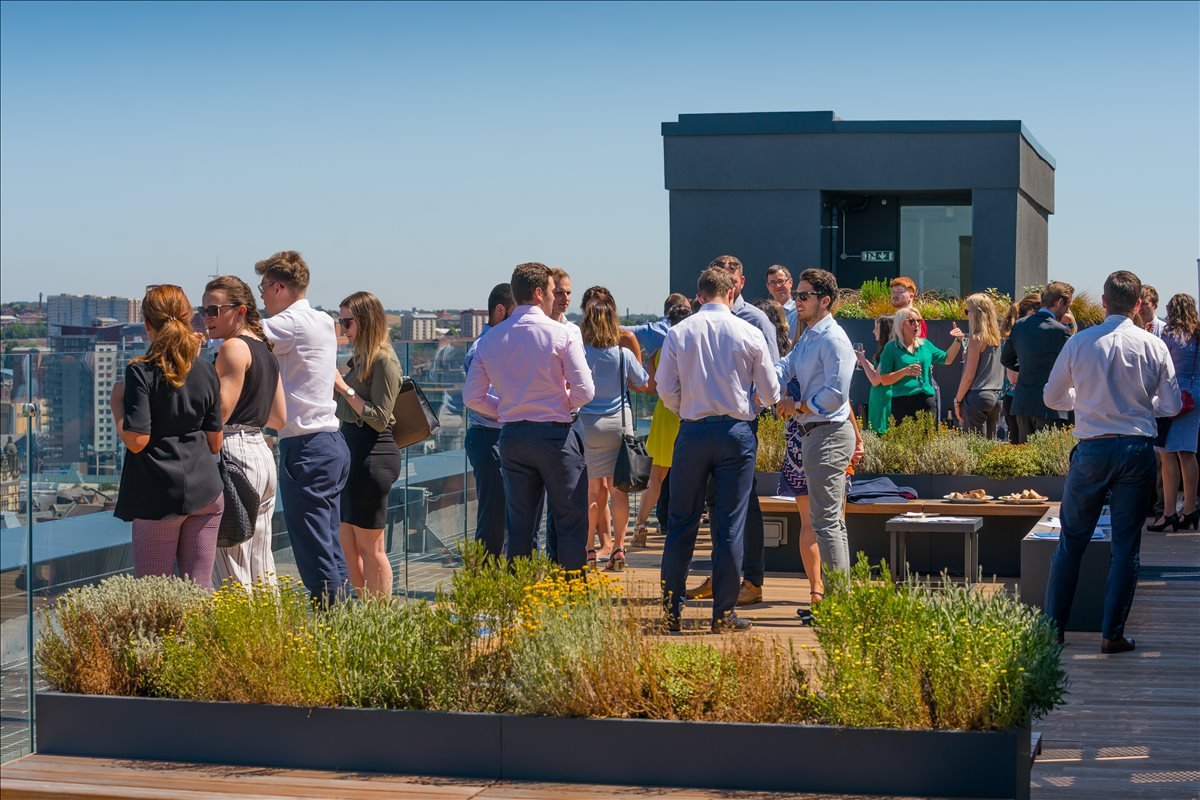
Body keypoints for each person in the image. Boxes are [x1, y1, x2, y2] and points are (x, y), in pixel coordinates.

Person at [1043, 270, 1181, 654]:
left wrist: (1083, 400)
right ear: (1138, 305)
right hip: (1136, 450)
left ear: (1103, 302)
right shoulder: (1153, 345)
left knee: (1071, 541)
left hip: (1092, 448)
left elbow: (1053, 397)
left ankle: (1053, 629)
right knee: (1126, 547)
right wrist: (1141, 405)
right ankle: (1112, 634)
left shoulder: (1080, 342)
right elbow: (1169, 405)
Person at [657, 266, 780, 633]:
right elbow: (771, 392)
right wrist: (751, 407)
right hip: (735, 433)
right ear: (731, 294)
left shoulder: (679, 332)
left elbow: (665, 388)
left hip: (693, 432)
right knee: (730, 524)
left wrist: (686, 410)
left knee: (682, 523)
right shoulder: (749, 331)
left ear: (698, 296)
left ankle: (672, 611)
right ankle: (723, 614)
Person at [463, 262, 595, 571]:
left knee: (520, 525)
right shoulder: (562, 334)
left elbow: (472, 398)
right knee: (570, 520)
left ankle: (519, 598)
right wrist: (566, 404)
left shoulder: (490, 340)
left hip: (512, 437)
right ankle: (571, 595)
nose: (554, 297)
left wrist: (507, 410)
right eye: (552, 290)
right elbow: (585, 391)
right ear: (538, 293)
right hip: (555, 435)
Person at [111, 285, 224, 589]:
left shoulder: (141, 372)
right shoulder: (205, 370)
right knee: (199, 591)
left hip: (157, 494)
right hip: (207, 491)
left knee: (155, 598)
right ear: (188, 319)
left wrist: (116, 407)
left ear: (147, 324)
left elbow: (137, 440)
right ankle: (200, 639)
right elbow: (216, 442)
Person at [256, 250, 352, 604]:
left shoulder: (289, 323)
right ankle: (347, 624)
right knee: (328, 543)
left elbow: (242, 336)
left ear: (280, 286)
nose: (261, 296)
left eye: (264, 287)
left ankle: (333, 630)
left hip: (306, 447)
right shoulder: (323, 320)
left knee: (313, 549)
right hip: (331, 442)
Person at [775, 269, 860, 617]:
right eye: (797, 294)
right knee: (829, 522)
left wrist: (795, 406)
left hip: (827, 432)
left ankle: (839, 605)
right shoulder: (810, 336)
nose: (797, 300)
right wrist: (766, 380)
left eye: (804, 295)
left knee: (825, 522)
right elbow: (787, 365)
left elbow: (836, 394)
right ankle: (840, 601)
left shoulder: (833, 339)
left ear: (825, 301)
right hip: (817, 434)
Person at [701, 255, 779, 606]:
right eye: (721, 274)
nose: (727, 280)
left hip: (743, 422)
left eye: (732, 274)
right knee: (715, 501)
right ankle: (721, 574)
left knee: (745, 502)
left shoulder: (755, 319)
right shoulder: (701, 319)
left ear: (741, 282)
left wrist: (752, 411)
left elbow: (773, 373)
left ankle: (753, 579)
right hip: (707, 424)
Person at [201, 276, 285, 589]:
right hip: (261, 453)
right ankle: (270, 634)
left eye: (213, 310)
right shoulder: (265, 349)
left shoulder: (233, 347)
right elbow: (279, 417)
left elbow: (218, 415)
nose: (206, 317)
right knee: (262, 563)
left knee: (230, 563)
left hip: (233, 452)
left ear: (239, 311)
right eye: (203, 309)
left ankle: (239, 638)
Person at [332, 291, 403, 597]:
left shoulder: (384, 361)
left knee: (371, 548)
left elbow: (379, 416)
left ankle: (381, 619)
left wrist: (343, 388)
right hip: (353, 453)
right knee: (347, 545)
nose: (342, 328)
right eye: (340, 321)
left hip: (374, 454)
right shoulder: (359, 359)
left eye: (347, 322)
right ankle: (364, 614)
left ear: (365, 321)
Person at [578, 297, 649, 570]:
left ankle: (589, 549)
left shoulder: (581, 352)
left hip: (587, 424)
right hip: (619, 424)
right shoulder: (623, 354)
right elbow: (643, 383)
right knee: (621, 491)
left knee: (593, 491)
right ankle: (619, 549)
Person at [631, 298, 692, 546]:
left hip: (665, 413)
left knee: (655, 477)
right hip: (691, 413)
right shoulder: (695, 350)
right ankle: (683, 529)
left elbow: (650, 388)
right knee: (691, 477)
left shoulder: (659, 352)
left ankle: (641, 527)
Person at [463, 283, 516, 557]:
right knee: (493, 517)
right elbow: (477, 398)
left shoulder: (496, 346)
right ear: (500, 310)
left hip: (497, 435)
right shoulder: (483, 348)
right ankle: (486, 584)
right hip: (488, 436)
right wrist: (513, 410)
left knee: (504, 516)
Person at [1148, 293, 1200, 532]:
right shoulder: (1198, 334)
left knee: (1166, 453)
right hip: (1196, 396)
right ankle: (1189, 510)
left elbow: (1158, 364)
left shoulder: (1169, 334)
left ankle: (1168, 512)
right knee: (1187, 454)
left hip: (1174, 395)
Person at [1001, 281, 1074, 444]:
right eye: (1068, 306)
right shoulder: (1060, 331)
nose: (1067, 311)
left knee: (1025, 462)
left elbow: (1006, 359)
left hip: (1023, 403)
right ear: (1060, 302)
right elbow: (1071, 366)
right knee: (1048, 463)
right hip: (1051, 407)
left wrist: (1026, 368)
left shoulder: (1019, 325)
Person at [876, 307, 963, 423]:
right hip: (902, 403)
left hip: (927, 401)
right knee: (905, 441)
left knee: (928, 440)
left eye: (919, 321)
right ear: (901, 324)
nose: (916, 324)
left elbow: (947, 359)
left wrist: (958, 340)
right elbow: (884, 379)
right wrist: (904, 372)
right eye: (912, 321)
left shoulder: (925, 344)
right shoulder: (891, 348)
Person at [951, 293, 1005, 437]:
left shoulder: (976, 339)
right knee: (989, 447)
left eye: (967, 311)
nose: (966, 315)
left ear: (975, 313)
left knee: (974, 447)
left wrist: (957, 400)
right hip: (996, 397)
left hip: (978, 396)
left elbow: (968, 376)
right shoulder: (997, 339)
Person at [1000, 294, 1042, 443]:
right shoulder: (1017, 337)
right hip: (1015, 399)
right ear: (1031, 312)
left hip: (1024, 398)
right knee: (1020, 446)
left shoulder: (1023, 335)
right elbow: (1012, 377)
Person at [856, 314, 895, 434]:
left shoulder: (889, 350)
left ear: (885, 330)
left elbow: (875, 380)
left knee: (881, 434)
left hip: (883, 399)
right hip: (880, 397)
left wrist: (862, 359)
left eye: (876, 328)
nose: (873, 331)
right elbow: (878, 372)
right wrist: (865, 362)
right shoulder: (889, 348)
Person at [765, 264, 797, 337]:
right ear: (768, 286)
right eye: (773, 282)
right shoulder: (764, 312)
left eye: (781, 281)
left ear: (790, 282)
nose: (777, 286)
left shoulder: (799, 310)